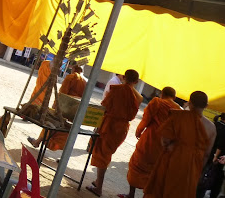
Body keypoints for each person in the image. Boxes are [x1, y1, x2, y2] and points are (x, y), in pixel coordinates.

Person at [145, 91, 217, 198]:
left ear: (189, 102)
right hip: (192, 166)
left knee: (162, 189)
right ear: (206, 106)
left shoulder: (178, 116)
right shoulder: (211, 127)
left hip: (173, 159)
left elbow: (165, 140)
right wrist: (197, 170)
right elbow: (207, 154)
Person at [86, 69, 143, 197]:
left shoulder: (116, 89)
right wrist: (130, 86)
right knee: (106, 153)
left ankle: (99, 187)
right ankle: (97, 181)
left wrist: (98, 125)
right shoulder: (136, 96)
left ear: (123, 77)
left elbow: (104, 106)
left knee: (102, 155)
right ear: (136, 81)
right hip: (122, 128)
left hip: (109, 125)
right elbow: (136, 107)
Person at [118, 86, 181, 198]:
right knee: (153, 172)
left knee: (136, 165)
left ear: (162, 94)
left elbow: (146, 118)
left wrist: (139, 130)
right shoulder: (178, 110)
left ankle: (131, 194)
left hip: (149, 139)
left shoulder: (157, 101)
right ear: (174, 97)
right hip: (163, 146)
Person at [28, 64, 86, 149]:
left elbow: (62, 94)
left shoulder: (71, 77)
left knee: (50, 123)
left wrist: (55, 106)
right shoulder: (85, 81)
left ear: (73, 68)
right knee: (66, 131)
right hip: (75, 111)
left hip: (64, 108)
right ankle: (62, 152)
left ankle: (38, 141)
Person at [197, 113, 225, 198]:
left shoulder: (213, 125)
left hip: (206, 153)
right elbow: (221, 145)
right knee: (214, 180)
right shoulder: (224, 129)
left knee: (202, 176)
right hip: (217, 158)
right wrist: (216, 157)